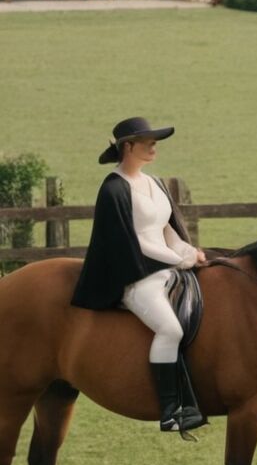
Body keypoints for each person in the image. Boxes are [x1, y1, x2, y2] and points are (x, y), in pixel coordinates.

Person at [71, 117, 207, 433]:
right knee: (170, 329)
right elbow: (135, 241)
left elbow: (167, 229)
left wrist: (188, 252)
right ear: (128, 146)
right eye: (147, 141)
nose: (153, 145)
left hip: (168, 267)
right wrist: (177, 260)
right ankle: (171, 410)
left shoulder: (155, 183)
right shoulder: (113, 190)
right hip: (137, 276)